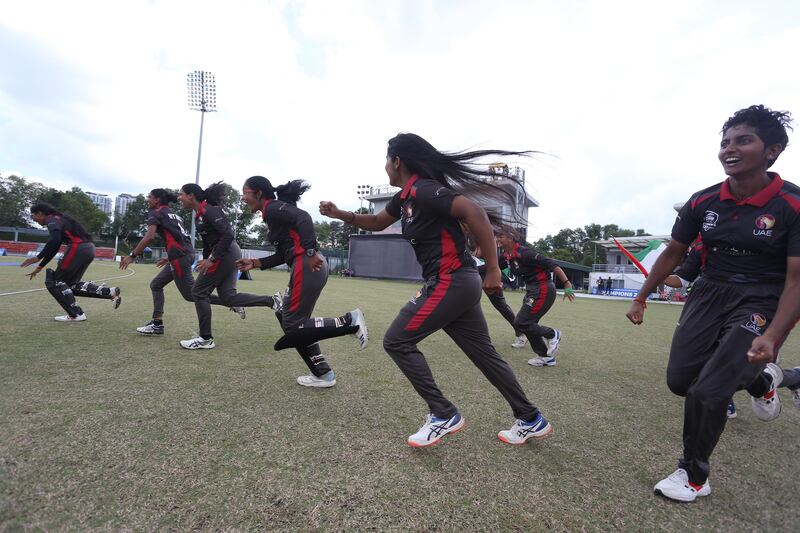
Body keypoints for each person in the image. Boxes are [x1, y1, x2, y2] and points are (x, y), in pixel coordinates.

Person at [320, 132, 553, 447]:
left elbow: (476, 213)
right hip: (458, 282)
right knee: (484, 354)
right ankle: (530, 418)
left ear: (397, 161)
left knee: (397, 341)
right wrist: (341, 214)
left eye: (387, 160)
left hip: (451, 280)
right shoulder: (405, 197)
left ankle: (443, 413)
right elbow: (376, 222)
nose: (385, 167)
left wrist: (495, 268)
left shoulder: (423, 190)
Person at [626, 105, 800, 503]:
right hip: (709, 293)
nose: (729, 149)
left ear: (771, 150)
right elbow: (673, 253)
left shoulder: (792, 205)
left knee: (709, 390)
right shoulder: (704, 201)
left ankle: (694, 475)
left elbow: (797, 279)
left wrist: (773, 333)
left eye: (743, 140)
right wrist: (641, 296)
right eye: (725, 142)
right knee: (681, 383)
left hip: (762, 298)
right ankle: (767, 380)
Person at [237, 176, 368, 388]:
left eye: (245, 193)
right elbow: (282, 254)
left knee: (292, 324)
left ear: (258, 193)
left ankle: (349, 321)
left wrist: (309, 250)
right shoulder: (271, 215)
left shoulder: (273, 208)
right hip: (307, 265)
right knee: (293, 323)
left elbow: (304, 218)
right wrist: (255, 262)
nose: (243, 198)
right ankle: (323, 374)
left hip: (307, 265)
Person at [178, 182, 279, 350]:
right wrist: (205, 260)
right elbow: (209, 243)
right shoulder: (200, 214)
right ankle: (271, 301)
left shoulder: (210, 210)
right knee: (228, 298)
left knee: (198, 292)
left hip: (226, 253)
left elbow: (227, 234)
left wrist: (211, 259)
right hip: (224, 253)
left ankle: (205, 339)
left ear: (191, 195)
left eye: (181, 194)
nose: (179, 197)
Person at [21, 202, 121, 321]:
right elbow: (56, 245)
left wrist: (38, 257)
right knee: (70, 285)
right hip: (89, 248)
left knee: (55, 283)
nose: (34, 220)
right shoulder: (59, 218)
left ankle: (76, 314)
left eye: (33, 216)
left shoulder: (51, 219)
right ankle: (109, 292)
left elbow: (55, 240)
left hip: (77, 248)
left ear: (40, 213)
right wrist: (40, 265)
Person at [496, 231, 575, 367]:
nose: (498, 238)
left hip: (543, 289)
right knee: (528, 324)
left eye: (501, 236)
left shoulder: (525, 253)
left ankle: (552, 334)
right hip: (532, 290)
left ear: (511, 238)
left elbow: (551, 263)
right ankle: (546, 358)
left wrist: (567, 283)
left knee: (521, 322)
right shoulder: (506, 256)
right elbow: (490, 266)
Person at [466, 231, 527, 348]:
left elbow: (491, 261)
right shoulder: (467, 233)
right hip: (477, 273)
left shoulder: (483, 234)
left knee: (501, 306)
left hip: (488, 275)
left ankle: (522, 333)